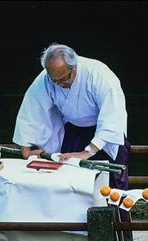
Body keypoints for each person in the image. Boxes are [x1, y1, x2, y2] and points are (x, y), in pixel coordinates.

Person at [13, 43, 130, 191]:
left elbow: (113, 114)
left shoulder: (98, 74)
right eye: (54, 81)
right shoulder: (47, 78)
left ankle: (116, 214)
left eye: (64, 79)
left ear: (73, 66)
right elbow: (32, 109)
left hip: (106, 136)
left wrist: (87, 152)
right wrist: (26, 147)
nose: (59, 84)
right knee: (69, 180)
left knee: (111, 187)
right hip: (74, 132)